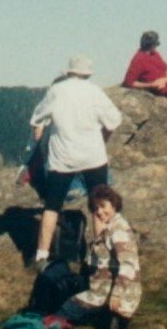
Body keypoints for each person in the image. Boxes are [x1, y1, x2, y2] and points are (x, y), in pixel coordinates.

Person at [29, 55, 123, 267]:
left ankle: (42, 256)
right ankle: (101, 253)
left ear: (68, 72)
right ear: (88, 73)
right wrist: (102, 140)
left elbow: (37, 121)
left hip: (63, 158)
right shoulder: (95, 91)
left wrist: (39, 145)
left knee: (52, 207)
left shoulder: (56, 91)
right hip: (94, 156)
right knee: (99, 206)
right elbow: (113, 121)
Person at [55, 184, 141, 329]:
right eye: (95, 208)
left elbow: (128, 266)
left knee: (64, 310)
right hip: (104, 287)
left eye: (103, 206)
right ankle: (104, 317)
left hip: (112, 295)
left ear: (114, 205)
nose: (99, 212)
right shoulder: (110, 226)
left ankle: (106, 316)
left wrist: (117, 295)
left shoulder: (118, 230)